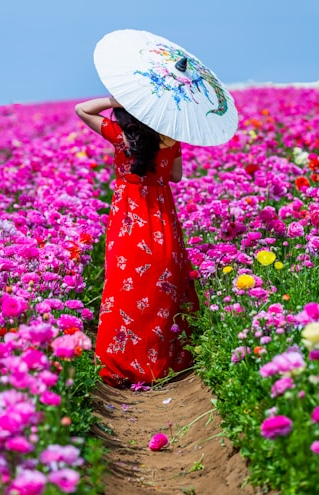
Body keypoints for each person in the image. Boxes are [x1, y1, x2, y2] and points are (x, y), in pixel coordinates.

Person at [75, 96, 199, 387]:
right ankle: (161, 360)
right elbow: (176, 176)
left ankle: (123, 361)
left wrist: (113, 99)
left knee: (124, 283)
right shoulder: (171, 137)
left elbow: (80, 109)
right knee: (162, 281)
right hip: (161, 216)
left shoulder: (121, 136)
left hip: (129, 217)